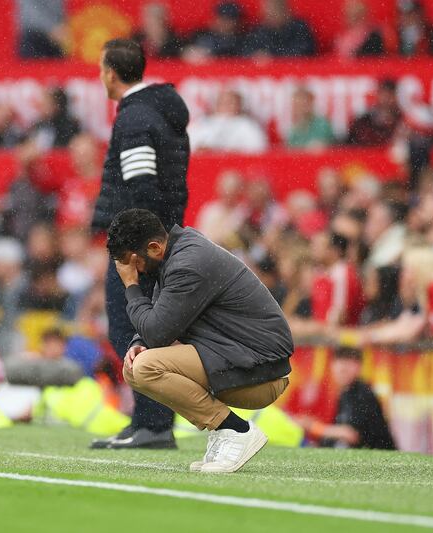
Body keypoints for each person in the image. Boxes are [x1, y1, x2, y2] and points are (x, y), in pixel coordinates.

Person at [110, 209, 293, 472]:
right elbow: (160, 315)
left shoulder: (188, 262)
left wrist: (131, 286)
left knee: (146, 367)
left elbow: (158, 333)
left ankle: (236, 430)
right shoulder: (176, 254)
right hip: (238, 359)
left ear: (154, 247)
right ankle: (223, 431)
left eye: (133, 263)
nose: (132, 272)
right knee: (135, 367)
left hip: (261, 374)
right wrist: (138, 342)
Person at [90, 39, 190, 450]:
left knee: (131, 331)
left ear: (111, 73)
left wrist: (137, 249)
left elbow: (143, 188)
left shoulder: (135, 120)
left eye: (101, 69)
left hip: (140, 248)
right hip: (152, 241)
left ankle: (154, 425)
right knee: (139, 331)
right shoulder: (153, 112)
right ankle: (146, 420)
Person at [297, 347, 395, 450]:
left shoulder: (362, 394)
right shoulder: (345, 393)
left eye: (348, 364)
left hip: (376, 456)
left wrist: (313, 427)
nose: (342, 369)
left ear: (359, 367)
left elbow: (350, 434)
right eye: (339, 363)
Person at [189, 90, 268, 153]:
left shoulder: (247, 125)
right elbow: (187, 144)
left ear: (239, 105)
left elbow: (258, 149)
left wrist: (227, 152)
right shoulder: (203, 122)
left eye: (230, 102)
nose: (225, 105)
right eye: (222, 101)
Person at [242, 0, 316, 58]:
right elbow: (246, 51)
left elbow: (305, 51)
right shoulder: (259, 31)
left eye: (274, 10)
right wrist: (257, 55)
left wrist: (273, 57)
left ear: (285, 11)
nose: (269, 14)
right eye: (267, 10)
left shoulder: (299, 28)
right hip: (266, 74)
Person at [347, 79, 403, 146]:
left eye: (390, 96)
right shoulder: (362, 124)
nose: (387, 100)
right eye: (384, 95)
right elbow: (349, 149)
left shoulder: (403, 124)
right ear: (377, 95)